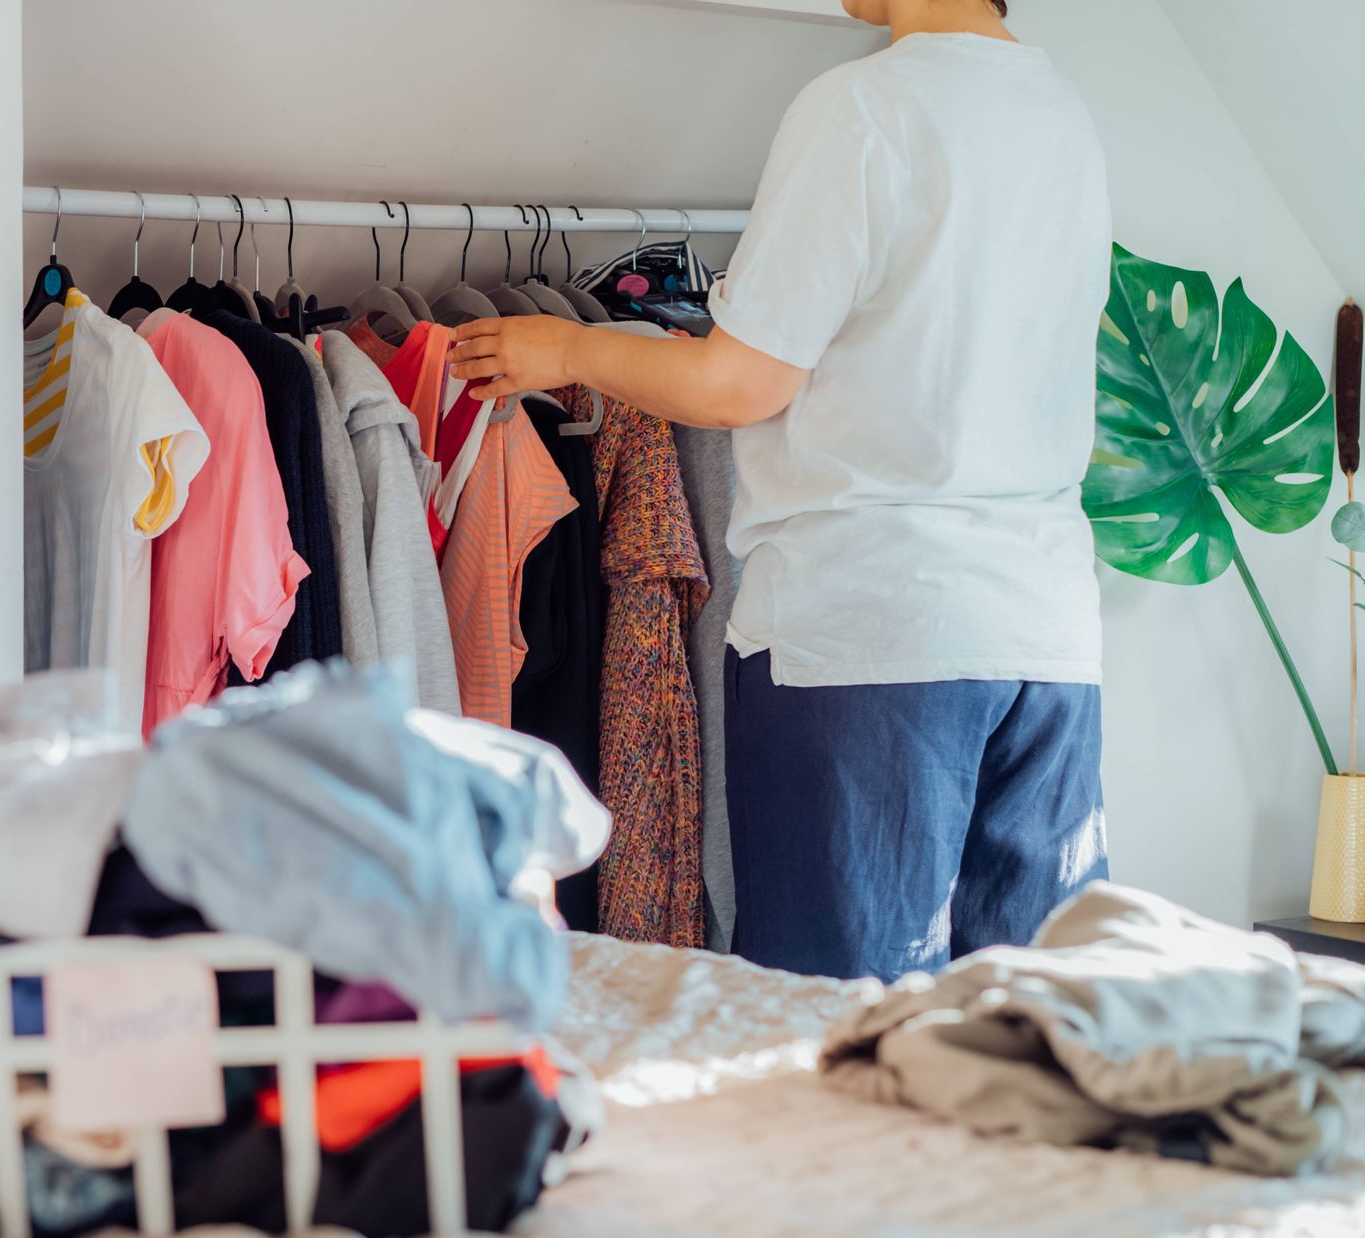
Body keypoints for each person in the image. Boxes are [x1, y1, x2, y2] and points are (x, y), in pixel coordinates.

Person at [449, 0, 1111, 982]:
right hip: (1047, 637)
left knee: (826, 1027)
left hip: (871, 633)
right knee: (1031, 1026)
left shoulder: (865, 106)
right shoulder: (1064, 113)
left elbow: (739, 385)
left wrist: (570, 347)